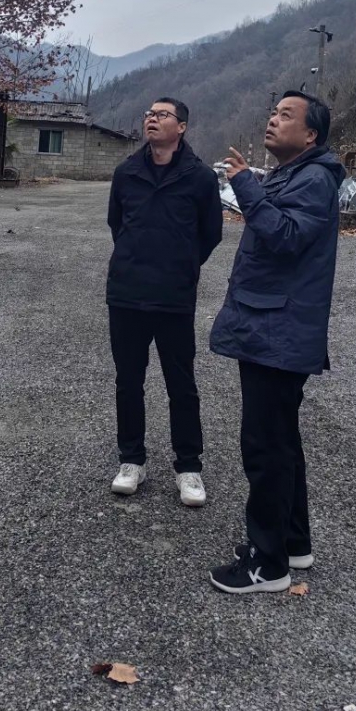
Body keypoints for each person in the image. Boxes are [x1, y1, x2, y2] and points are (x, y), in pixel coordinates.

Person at [208, 90, 344, 593]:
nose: (273, 120)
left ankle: (267, 565)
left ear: (310, 135)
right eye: (273, 112)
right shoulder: (295, 173)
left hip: (278, 331)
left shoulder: (313, 179)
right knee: (282, 440)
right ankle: (293, 542)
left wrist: (245, 184)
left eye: (286, 115)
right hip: (273, 326)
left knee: (265, 445)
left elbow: (284, 236)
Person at [105, 97, 223, 506]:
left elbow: (210, 234)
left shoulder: (200, 178)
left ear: (182, 127)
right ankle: (131, 461)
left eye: (162, 115)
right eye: (149, 114)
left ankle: (188, 468)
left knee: (181, 384)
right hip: (126, 294)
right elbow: (117, 224)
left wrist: (182, 265)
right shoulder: (127, 172)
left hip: (174, 297)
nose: (152, 120)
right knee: (128, 381)